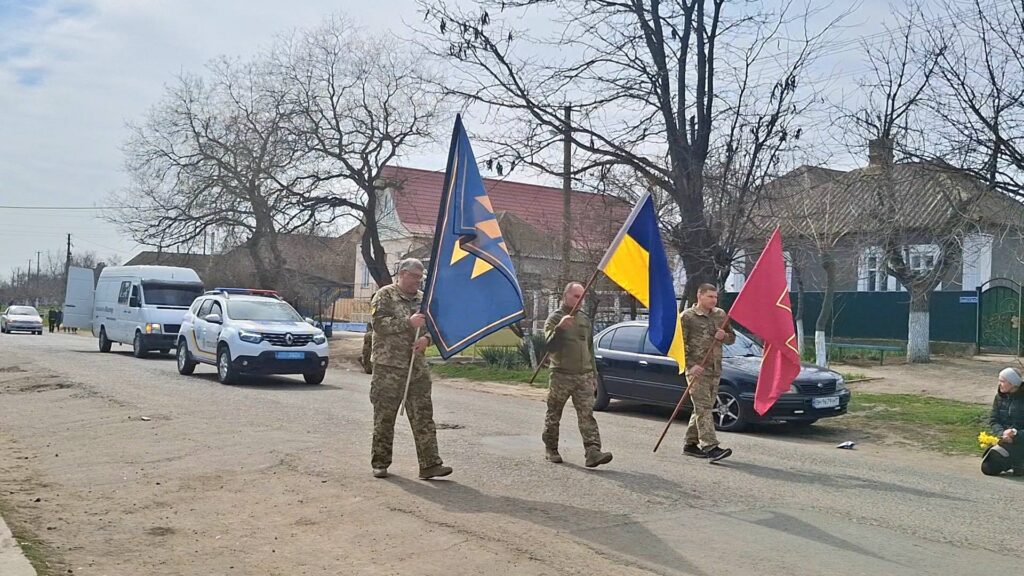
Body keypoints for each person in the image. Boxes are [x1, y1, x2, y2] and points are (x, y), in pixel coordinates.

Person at [369, 258, 451, 480]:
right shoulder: (385, 295)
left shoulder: (424, 300)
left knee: (424, 416)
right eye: (415, 276)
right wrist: (408, 322)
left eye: (420, 277)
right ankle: (380, 462)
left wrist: (426, 338)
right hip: (389, 367)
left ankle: (430, 464)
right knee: (385, 417)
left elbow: (435, 328)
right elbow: (379, 325)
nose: (418, 281)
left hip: (416, 367)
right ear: (402, 274)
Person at [542, 282, 613, 468]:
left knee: (587, 415)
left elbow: (589, 349)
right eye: (576, 296)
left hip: (584, 376)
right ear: (565, 296)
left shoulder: (584, 319)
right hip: (561, 376)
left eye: (582, 296)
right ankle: (551, 449)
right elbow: (548, 346)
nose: (580, 300)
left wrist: (594, 375)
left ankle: (593, 452)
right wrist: (559, 328)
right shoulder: (555, 318)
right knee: (554, 414)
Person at [680, 283, 736, 462]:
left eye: (715, 297)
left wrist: (724, 337)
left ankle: (690, 444)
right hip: (696, 370)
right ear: (699, 296)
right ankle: (710, 446)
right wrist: (690, 365)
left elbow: (732, 338)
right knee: (703, 407)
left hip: (715, 368)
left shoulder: (720, 315)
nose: (714, 300)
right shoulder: (687, 317)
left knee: (702, 408)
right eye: (710, 296)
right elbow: (679, 345)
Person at [981, 367, 1024, 476]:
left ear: (1013, 384)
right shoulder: (999, 397)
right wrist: (1002, 434)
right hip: (1005, 440)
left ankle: (1018, 463)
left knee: (1019, 471)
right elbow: (994, 420)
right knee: (988, 468)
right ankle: (1014, 462)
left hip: (1020, 440)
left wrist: (1015, 433)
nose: (999, 384)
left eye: (1002, 381)